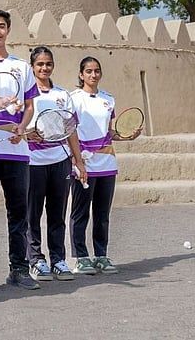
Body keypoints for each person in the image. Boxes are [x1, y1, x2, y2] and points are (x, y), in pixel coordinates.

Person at [0, 9, 39, 291]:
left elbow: (30, 106)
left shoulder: (21, 66)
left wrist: (22, 127)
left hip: (17, 150)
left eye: (1, 25)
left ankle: (19, 269)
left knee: (18, 213)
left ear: (8, 30)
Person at [25, 47, 88, 283]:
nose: (44, 68)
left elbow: (71, 130)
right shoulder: (26, 94)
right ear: (32, 67)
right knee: (32, 214)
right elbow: (17, 127)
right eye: (40, 64)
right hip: (33, 162)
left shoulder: (62, 95)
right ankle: (36, 260)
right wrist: (27, 133)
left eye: (48, 64)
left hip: (60, 161)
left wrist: (78, 161)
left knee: (57, 214)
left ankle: (58, 260)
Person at [69, 56, 120, 275]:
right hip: (84, 164)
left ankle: (101, 255)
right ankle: (81, 257)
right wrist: (77, 160)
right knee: (80, 212)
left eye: (97, 70)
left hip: (107, 163)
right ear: (81, 74)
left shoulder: (108, 99)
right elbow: (69, 131)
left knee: (102, 213)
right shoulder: (73, 99)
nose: (93, 74)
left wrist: (127, 135)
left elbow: (109, 132)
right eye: (88, 71)